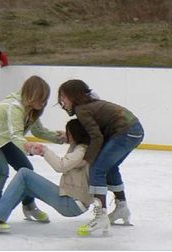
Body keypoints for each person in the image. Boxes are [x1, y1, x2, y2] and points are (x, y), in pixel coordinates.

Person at [0, 119, 92, 235]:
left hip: (72, 204)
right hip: (72, 201)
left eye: (69, 133)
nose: (67, 136)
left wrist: (44, 151)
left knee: (24, 174)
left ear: (76, 134)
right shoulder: (79, 146)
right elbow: (65, 140)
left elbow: (61, 166)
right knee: (25, 186)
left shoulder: (82, 150)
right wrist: (63, 136)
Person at [0, 76, 64, 223]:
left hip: (3, 137)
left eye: (45, 98)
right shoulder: (15, 107)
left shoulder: (31, 109)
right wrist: (30, 147)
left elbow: (39, 131)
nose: (43, 102)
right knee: (1, 170)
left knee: (26, 168)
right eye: (41, 98)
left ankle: (29, 206)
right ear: (31, 95)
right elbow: (16, 135)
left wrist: (61, 138)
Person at [57, 79, 144, 236]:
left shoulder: (81, 109)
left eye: (64, 96)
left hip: (125, 132)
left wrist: (87, 159)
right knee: (110, 168)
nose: (62, 101)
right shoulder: (90, 103)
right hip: (135, 130)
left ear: (73, 95)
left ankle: (101, 216)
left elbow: (96, 137)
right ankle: (122, 208)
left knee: (97, 168)